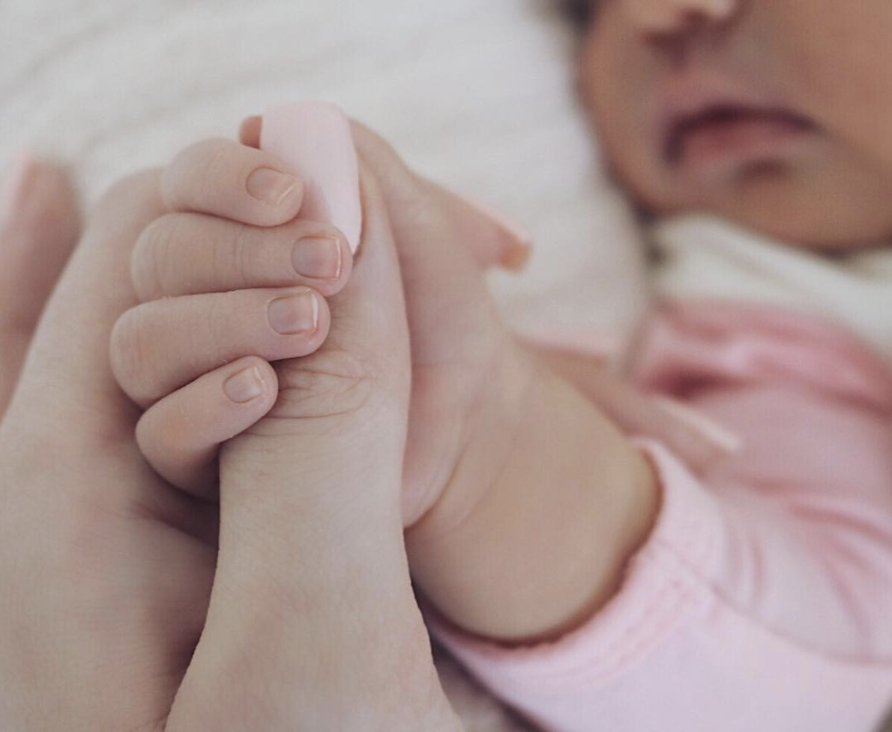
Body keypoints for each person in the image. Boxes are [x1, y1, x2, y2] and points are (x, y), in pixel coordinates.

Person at [4, 0, 892, 730]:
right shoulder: (767, 311)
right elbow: (809, 655)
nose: (657, 16)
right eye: (596, 7)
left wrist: (488, 448)